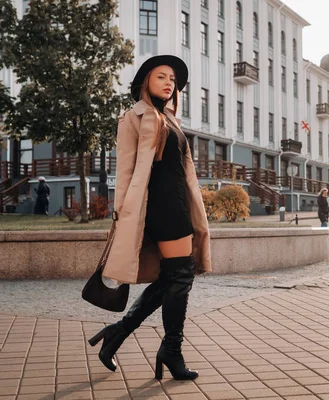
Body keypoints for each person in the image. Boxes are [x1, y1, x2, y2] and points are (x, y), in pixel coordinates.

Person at [87, 55, 211, 381]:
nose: (169, 83)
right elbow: (125, 170)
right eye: (161, 77)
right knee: (181, 278)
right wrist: (121, 215)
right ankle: (171, 350)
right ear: (146, 81)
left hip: (178, 207)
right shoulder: (133, 118)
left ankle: (117, 334)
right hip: (160, 208)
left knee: (172, 279)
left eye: (172, 79)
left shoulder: (170, 120)